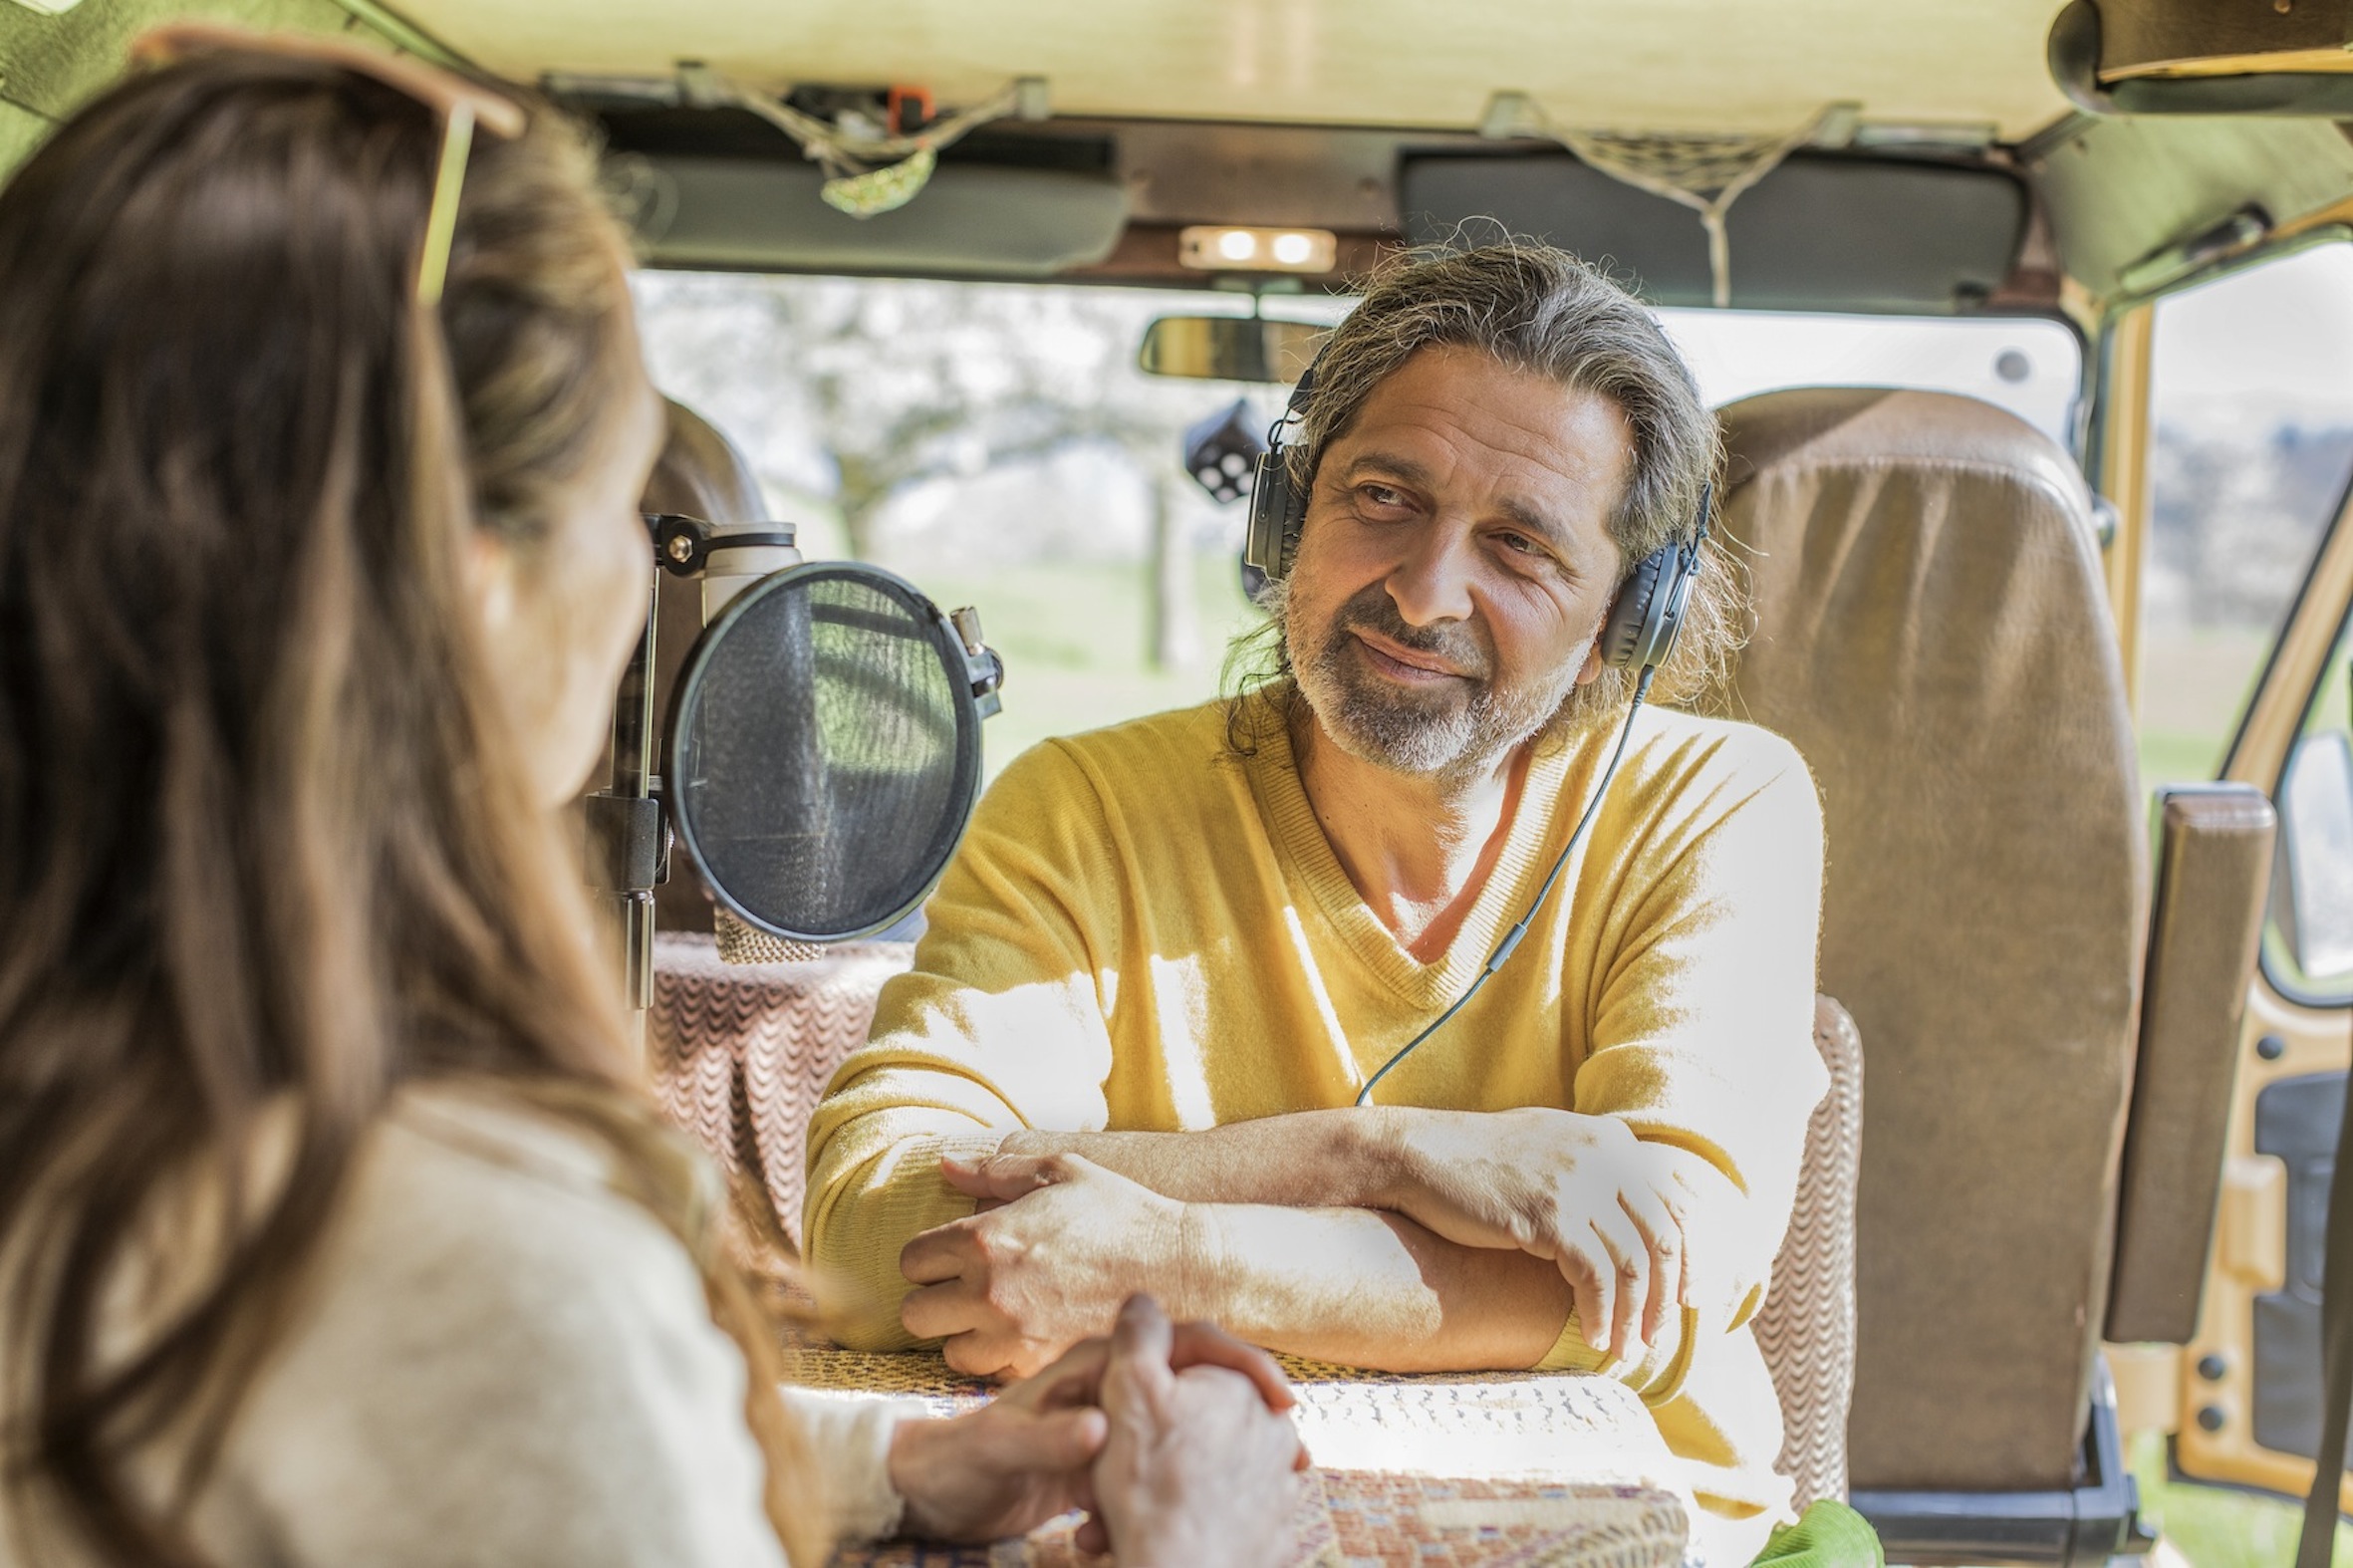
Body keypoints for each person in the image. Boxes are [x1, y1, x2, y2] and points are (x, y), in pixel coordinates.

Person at [0, 28, 1304, 1568]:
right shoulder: (486, 1252)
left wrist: (900, 1459)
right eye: (625, 505)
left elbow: (462, 1450)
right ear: (470, 589)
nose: (642, 587)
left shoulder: (114, 1090)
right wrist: (1199, 1550)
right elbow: (501, 1389)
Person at [805, 242, 1831, 1564]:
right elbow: (872, 1232)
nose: (1422, 591)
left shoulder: (1718, 802)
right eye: (1383, 496)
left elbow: (1659, 1281)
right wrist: (1378, 1153)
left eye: (1517, 545)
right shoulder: (1078, 805)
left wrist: (1166, 1256)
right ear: (1285, 516)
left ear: (1625, 616)